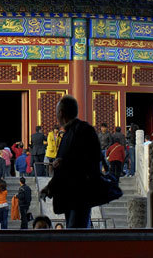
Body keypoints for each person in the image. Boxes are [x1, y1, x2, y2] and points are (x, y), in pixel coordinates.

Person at [40, 95, 103, 229]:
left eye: (57, 112)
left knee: (76, 234)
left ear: (61, 113)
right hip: (70, 195)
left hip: (79, 195)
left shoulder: (82, 131)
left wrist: (64, 162)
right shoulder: (69, 133)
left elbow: (90, 162)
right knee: (72, 231)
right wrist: (50, 187)